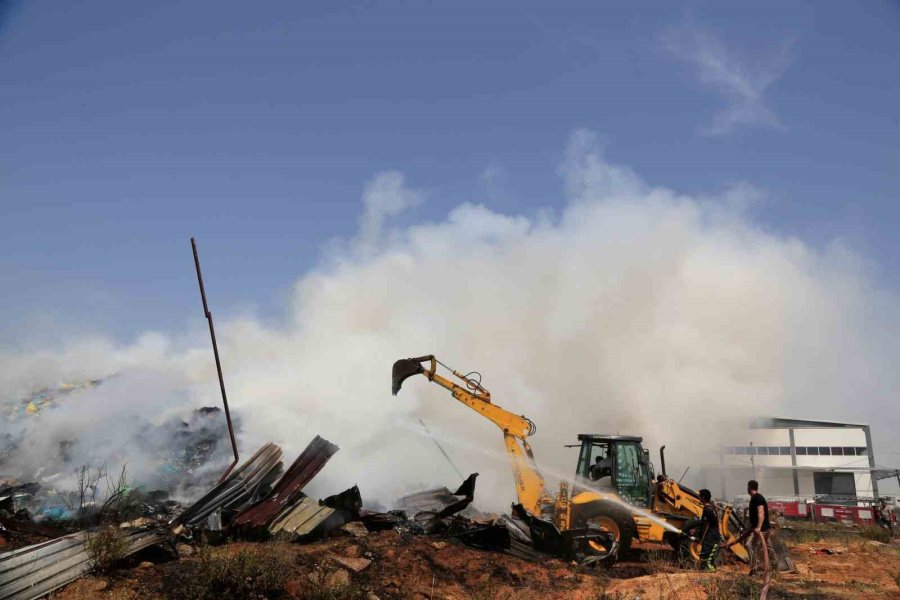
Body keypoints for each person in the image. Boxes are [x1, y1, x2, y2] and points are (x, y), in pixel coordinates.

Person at [723, 480, 777, 576]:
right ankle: (775, 567)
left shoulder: (757, 498)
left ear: (749, 487)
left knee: (750, 546)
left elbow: (761, 512)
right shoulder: (755, 498)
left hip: (762, 529)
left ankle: (755, 569)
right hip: (763, 528)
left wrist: (758, 527)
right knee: (768, 547)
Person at [697, 489, 721, 572]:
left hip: (712, 535)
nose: (698, 497)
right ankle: (705, 570)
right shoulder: (711, 507)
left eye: (699, 496)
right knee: (705, 553)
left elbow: (705, 524)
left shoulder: (707, 509)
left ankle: (709, 570)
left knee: (705, 553)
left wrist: (701, 537)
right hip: (714, 534)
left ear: (703, 497)